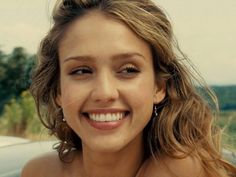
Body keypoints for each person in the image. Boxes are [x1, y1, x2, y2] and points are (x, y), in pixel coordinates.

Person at [21, 0, 236, 177]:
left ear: (159, 87)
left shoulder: (182, 170)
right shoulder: (37, 171)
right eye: (81, 71)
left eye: (128, 70)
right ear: (58, 90)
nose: (104, 93)